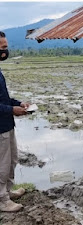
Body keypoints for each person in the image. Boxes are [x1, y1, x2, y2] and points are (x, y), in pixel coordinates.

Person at [0, 31, 28, 212]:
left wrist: (18, 104)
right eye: (3, 47)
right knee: (1, 165)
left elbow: (3, 98)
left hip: (7, 124)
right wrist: (12, 110)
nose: (5, 51)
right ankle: (2, 200)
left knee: (12, 160)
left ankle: (7, 191)